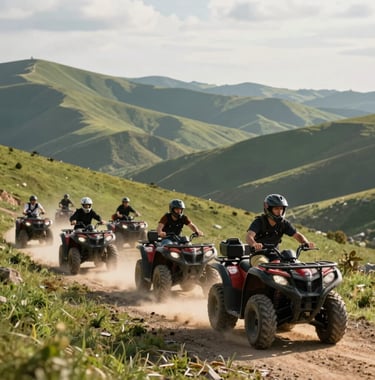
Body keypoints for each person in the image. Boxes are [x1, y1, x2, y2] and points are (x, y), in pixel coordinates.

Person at [246, 194, 314, 266]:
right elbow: (249, 236)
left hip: (275, 255)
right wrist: (254, 244)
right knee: (263, 267)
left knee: (295, 264)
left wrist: (306, 243)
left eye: (281, 208)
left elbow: (296, 234)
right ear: (268, 209)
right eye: (276, 209)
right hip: (258, 255)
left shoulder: (284, 223)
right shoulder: (259, 222)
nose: (279, 211)